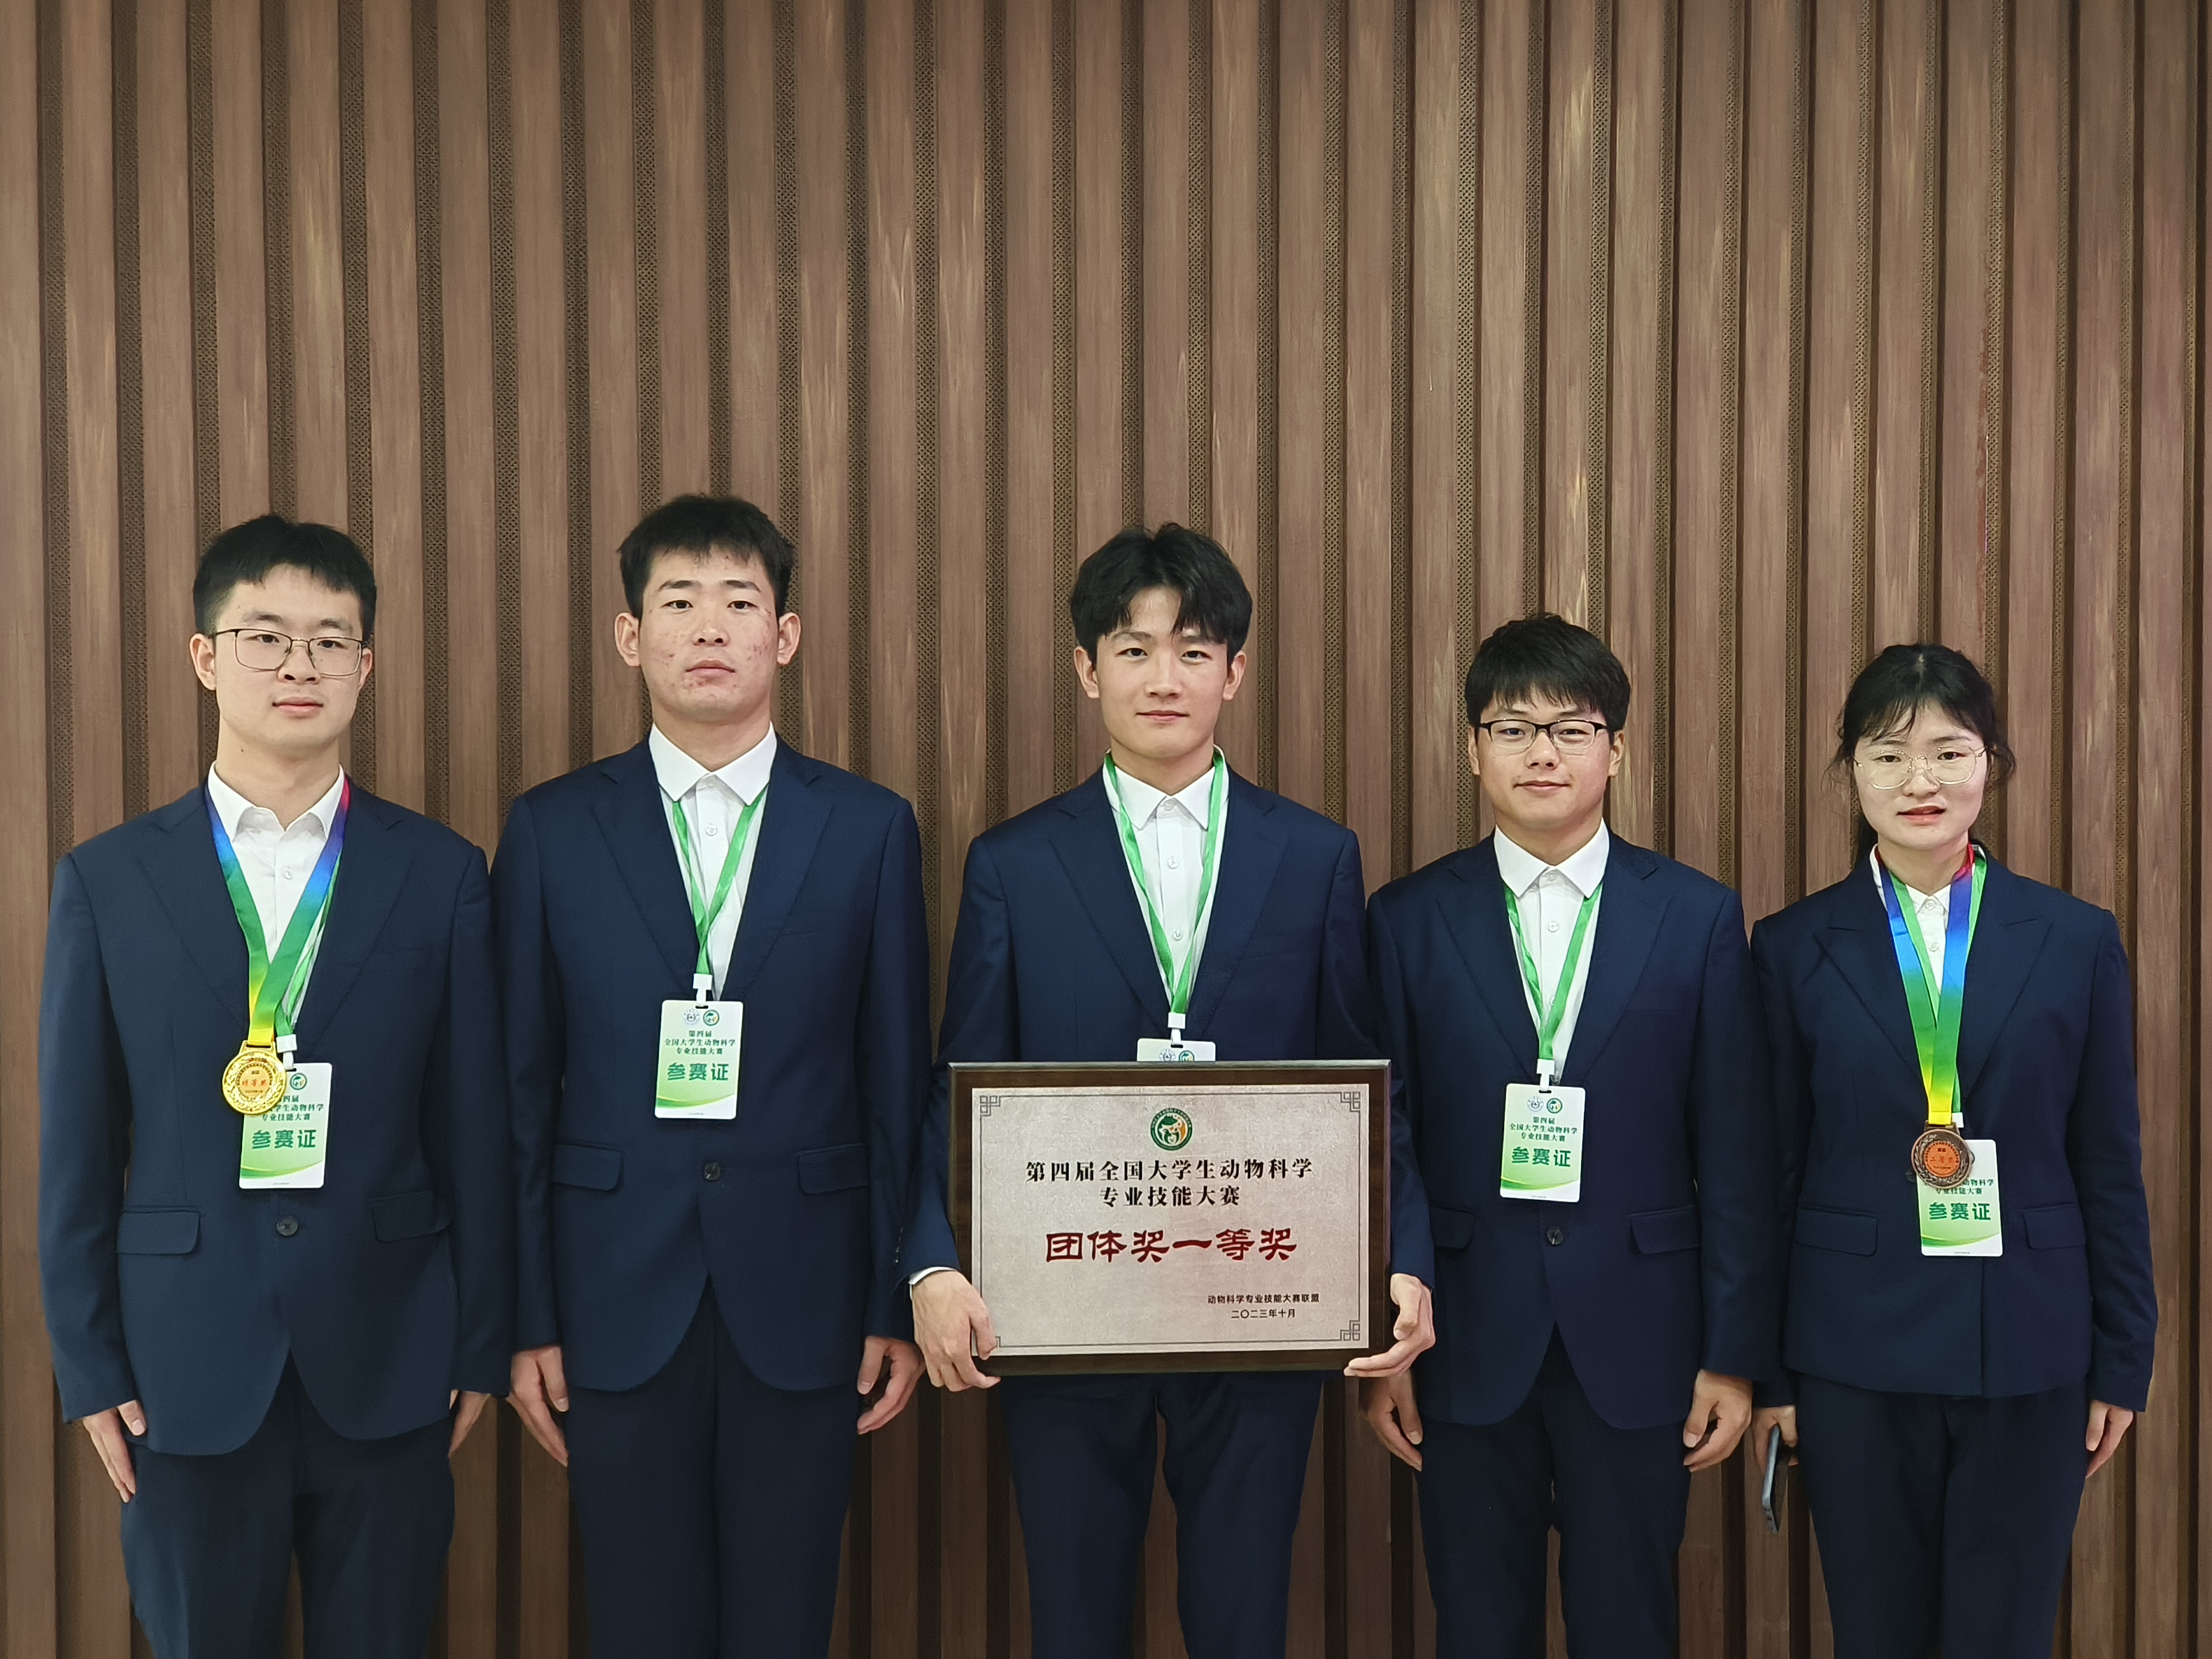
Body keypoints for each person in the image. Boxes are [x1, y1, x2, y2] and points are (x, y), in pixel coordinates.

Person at [905, 523, 1435, 1659]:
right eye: (1134, 650)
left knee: (1243, 1616)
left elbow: (1362, 1083)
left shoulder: (1315, 856)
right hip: (1063, 1299)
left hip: (1257, 1302)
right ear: (1087, 669)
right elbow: (958, 1084)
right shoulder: (1013, 862)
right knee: (1075, 1617)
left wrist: (1403, 1256)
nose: (1164, 677)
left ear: (1234, 672)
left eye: (1193, 651)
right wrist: (933, 1265)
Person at [38, 516, 512, 1658]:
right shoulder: (110, 880)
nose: (300, 664)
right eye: (265, 637)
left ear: (366, 665)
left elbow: (477, 1129)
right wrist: (89, 1365)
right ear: (207, 658)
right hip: (180, 1369)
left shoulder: (441, 873)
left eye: (329, 640)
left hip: (391, 1353)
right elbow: (77, 1147)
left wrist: (477, 1344)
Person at [495, 494, 929, 1657]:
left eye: (740, 603)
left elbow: (895, 1084)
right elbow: (519, 1093)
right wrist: (526, 1314)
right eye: (678, 602)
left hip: (810, 1296)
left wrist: (891, 1294)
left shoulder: (870, 829)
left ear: (784, 636)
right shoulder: (551, 830)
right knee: (640, 1623)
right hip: (608, 1296)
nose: (709, 629)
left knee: (787, 1620)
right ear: (630, 635)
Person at [1361, 613, 1779, 1658]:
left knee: (1630, 1623)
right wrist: (1385, 1337)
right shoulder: (1406, 919)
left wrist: (1736, 1357)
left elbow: (1736, 1150)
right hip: (1461, 1337)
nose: (1542, 752)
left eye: (1572, 728)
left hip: (1644, 1337)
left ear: (1616, 749)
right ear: (1474, 750)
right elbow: (1383, 1136)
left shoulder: (1697, 917)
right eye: (1513, 728)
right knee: (1476, 1625)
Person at [1747, 644, 2155, 1659]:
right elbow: (1770, 1173)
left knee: (2004, 1633)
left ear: (1992, 763)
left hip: (2031, 1342)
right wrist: (1771, 1375)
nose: (1918, 780)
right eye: (1888, 755)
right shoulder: (1792, 947)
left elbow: (2108, 1161)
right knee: (1875, 1632)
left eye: (1948, 751)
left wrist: (2122, 1361)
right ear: (1851, 771)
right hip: (1852, 1350)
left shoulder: (2076, 938)